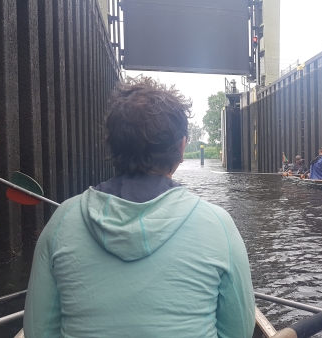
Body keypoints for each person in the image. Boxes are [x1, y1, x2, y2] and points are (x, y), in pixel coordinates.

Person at [23, 76, 256, 338]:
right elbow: (239, 332)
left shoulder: (62, 221)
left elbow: (38, 332)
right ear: (181, 148)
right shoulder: (219, 226)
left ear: (112, 145)